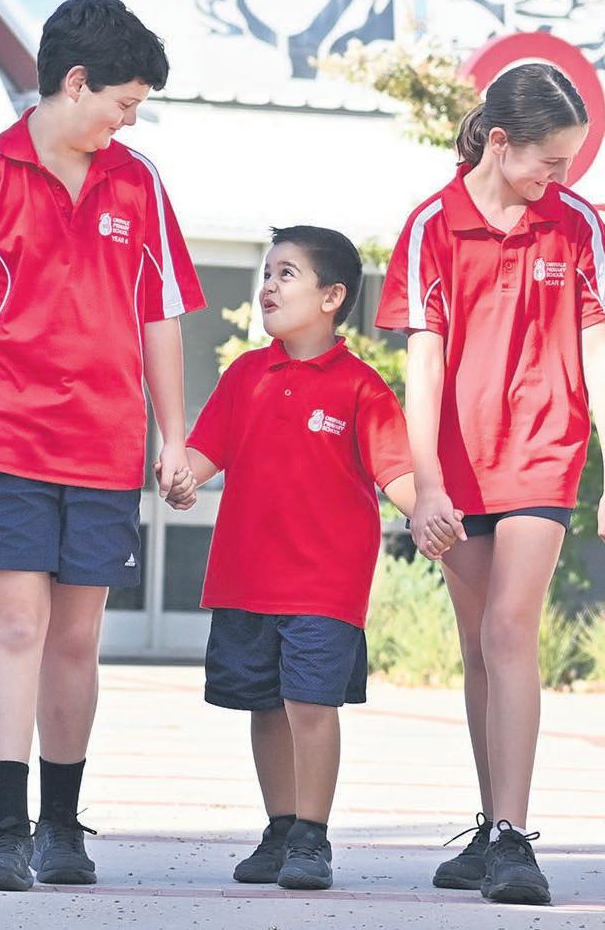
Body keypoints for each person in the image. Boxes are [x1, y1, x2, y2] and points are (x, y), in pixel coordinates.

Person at [0, 0, 203, 891]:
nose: (128, 120)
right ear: (76, 82)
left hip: (104, 446)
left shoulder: (138, 182)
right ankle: (5, 831)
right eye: (123, 102)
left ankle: (62, 827)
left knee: (75, 639)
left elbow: (159, 315)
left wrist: (174, 436)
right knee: (13, 624)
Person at [375, 63, 605, 905]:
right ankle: (491, 823)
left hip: (540, 451)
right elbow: (422, 368)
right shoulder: (430, 226)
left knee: (506, 629)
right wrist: (426, 486)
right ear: (499, 141)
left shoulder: (573, 223)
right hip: (455, 468)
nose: (559, 177)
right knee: (475, 649)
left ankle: (514, 837)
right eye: (550, 161)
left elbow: (599, 355)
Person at [166, 225, 447, 891]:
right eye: (266, 273)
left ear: (331, 297)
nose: (268, 286)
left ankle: (312, 838)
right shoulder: (245, 376)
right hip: (245, 579)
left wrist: (428, 512)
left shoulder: (361, 387)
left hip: (324, 585)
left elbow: (396, 473)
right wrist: (179, 477)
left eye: (285, 274)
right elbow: (202, 457)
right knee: (264, 707)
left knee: (311, 706)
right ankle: (281, 828)